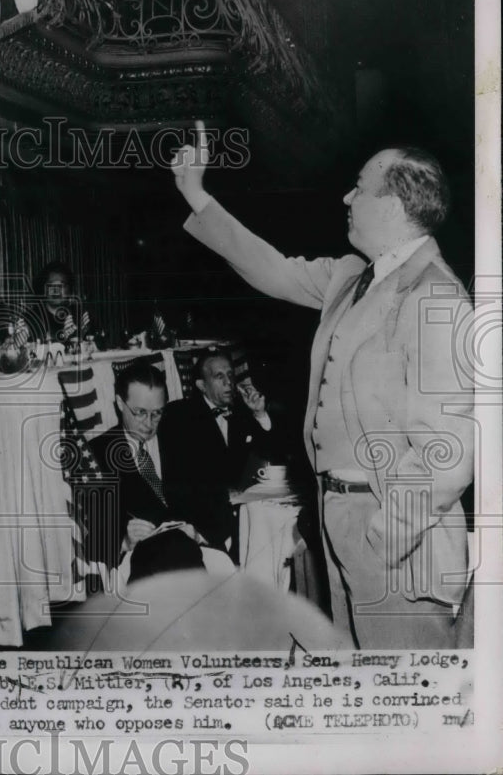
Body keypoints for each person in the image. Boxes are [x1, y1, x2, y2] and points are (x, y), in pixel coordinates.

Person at [171, 121, 473, 648]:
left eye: (359, 188)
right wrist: (197, 195)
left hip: (393, 538)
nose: (347, 197)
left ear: (392, 207)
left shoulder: (435, 296)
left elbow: (449, 451)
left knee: (401, 689)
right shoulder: (353, 277)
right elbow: (274, 270)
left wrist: (385, 536)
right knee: (362, 685)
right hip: (340, 515)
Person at [87, 361, 205, 582]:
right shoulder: (97, 454)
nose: (149, 424)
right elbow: (90, 532)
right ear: (120, 403)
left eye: (157, 413)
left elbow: (215, 502)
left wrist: (198, 533)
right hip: (140, 561)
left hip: (194, 551)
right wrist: (124, 541)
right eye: (140, 412)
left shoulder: (183, 440)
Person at [159, 350, 280, 561]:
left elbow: (271, 456)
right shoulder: (181, 417)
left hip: (244, 514)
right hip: (206, 521)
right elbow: (180, 480)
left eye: (230, 375)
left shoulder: (243, 410)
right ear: (201, 385)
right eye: (219, 376)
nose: (229, 382)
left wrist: (259, 414)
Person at [30, 261, 90, 346]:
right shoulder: (33, 318)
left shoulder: (79, 314)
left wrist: (82, 336)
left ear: (69, 289)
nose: (56, 290)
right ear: (44, 289)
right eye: (51, 285)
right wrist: (63, 337)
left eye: (62, 285)